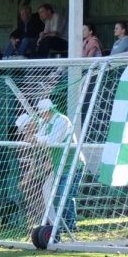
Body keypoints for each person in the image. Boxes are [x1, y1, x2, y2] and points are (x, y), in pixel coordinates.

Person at [34, 98, 83, 231]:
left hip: (72, 165)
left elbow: (53, 140)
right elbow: (38, 136)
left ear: (48, 111)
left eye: (42, 113)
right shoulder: (45, 123)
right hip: (58, 165)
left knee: (64, 195)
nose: (41, 116)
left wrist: (37, 139)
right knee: (47, 189)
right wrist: (35, 137)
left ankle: (70, 225)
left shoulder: (62, 120)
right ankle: (54, 223)